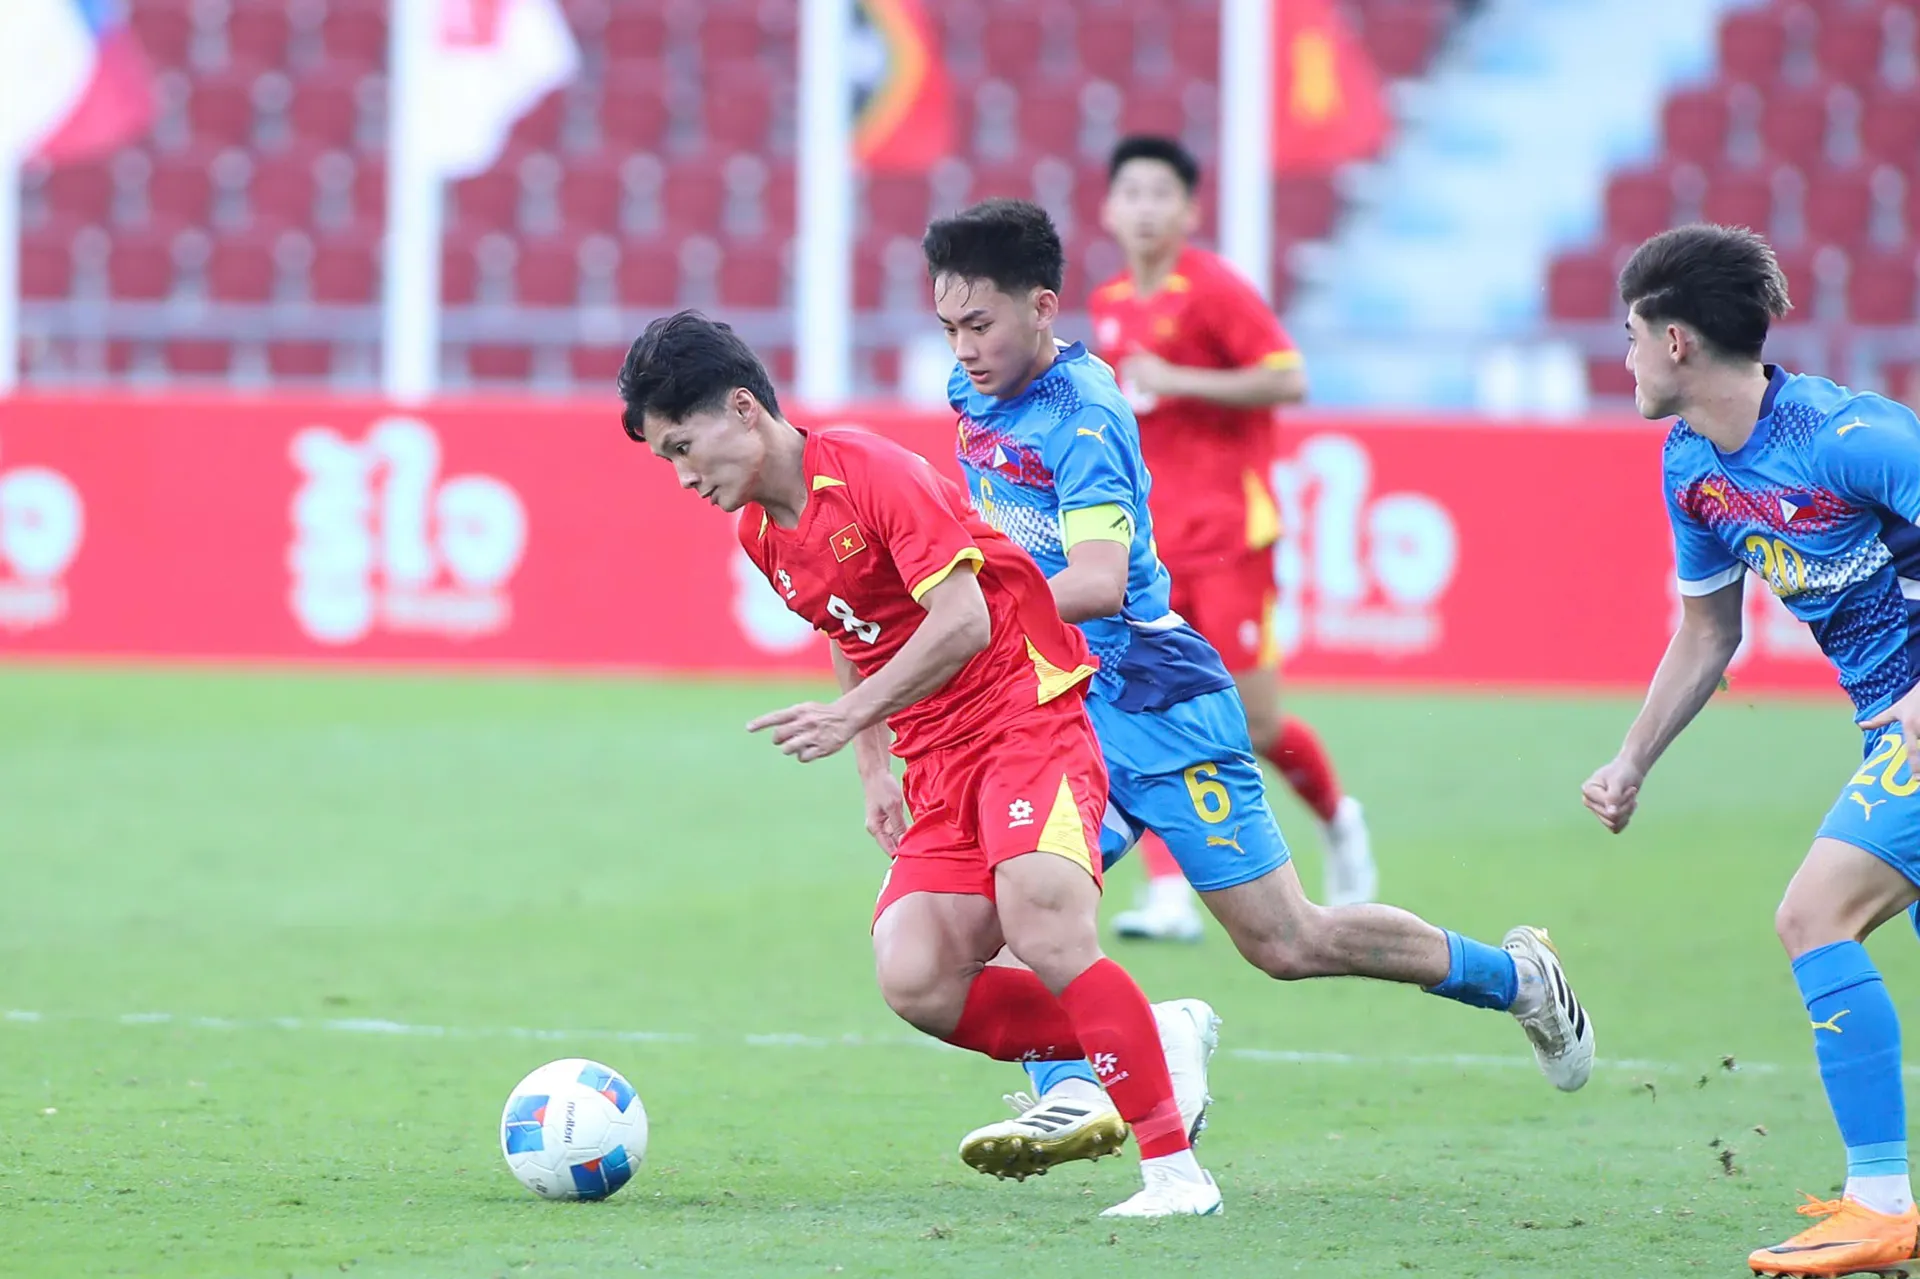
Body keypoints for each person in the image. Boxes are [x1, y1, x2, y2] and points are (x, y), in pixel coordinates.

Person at [922, 198, 1596, 1183]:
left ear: (1043, 307)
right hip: (1062, 710)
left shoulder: (1084, 415)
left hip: (1155, 701)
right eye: (949, 327)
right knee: (1012, 905)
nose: (963, 349)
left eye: (979, 325)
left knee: (1288, 939)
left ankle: (1519, 977)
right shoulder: (970, 391)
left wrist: (967, 620)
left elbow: (1099, 582)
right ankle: (1087, 1075)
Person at [615, 309, 1221, 1218]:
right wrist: (873, 768)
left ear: (743, 408)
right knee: (917, 977)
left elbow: (965, 620)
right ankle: (1154, 1032)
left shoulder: (871, 472)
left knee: (1046, 922)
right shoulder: (761, 534)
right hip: (938, 760)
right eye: (667, 459)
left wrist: (851, 716)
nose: (684, 476)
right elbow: (847, 630)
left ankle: (1176, 1174)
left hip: (1024, 716)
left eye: (683, 446)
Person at [1583, 223, 1920, 1278]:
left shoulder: (1851, 436)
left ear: (1675, 341)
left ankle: (1880, 1205)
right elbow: (1707, 632)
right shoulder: (1692, 465)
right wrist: (1633, 758)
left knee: (1813, 914)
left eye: (1631, 335)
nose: (1625, 357)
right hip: (1889, 726)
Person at [1088, 134, 1374, 939]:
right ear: (1108, 209)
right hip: (1147, 552)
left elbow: (1290, 376)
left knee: (1256, 724)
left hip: (1229, 538)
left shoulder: (1212, 289)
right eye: (1132, 193)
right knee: (1143, 706)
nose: (1145, 209)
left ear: (1189, 209)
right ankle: (1168, 895)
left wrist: (1180, 379)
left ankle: (1337, 815)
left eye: (1161, 194)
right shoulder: (1110, 303)